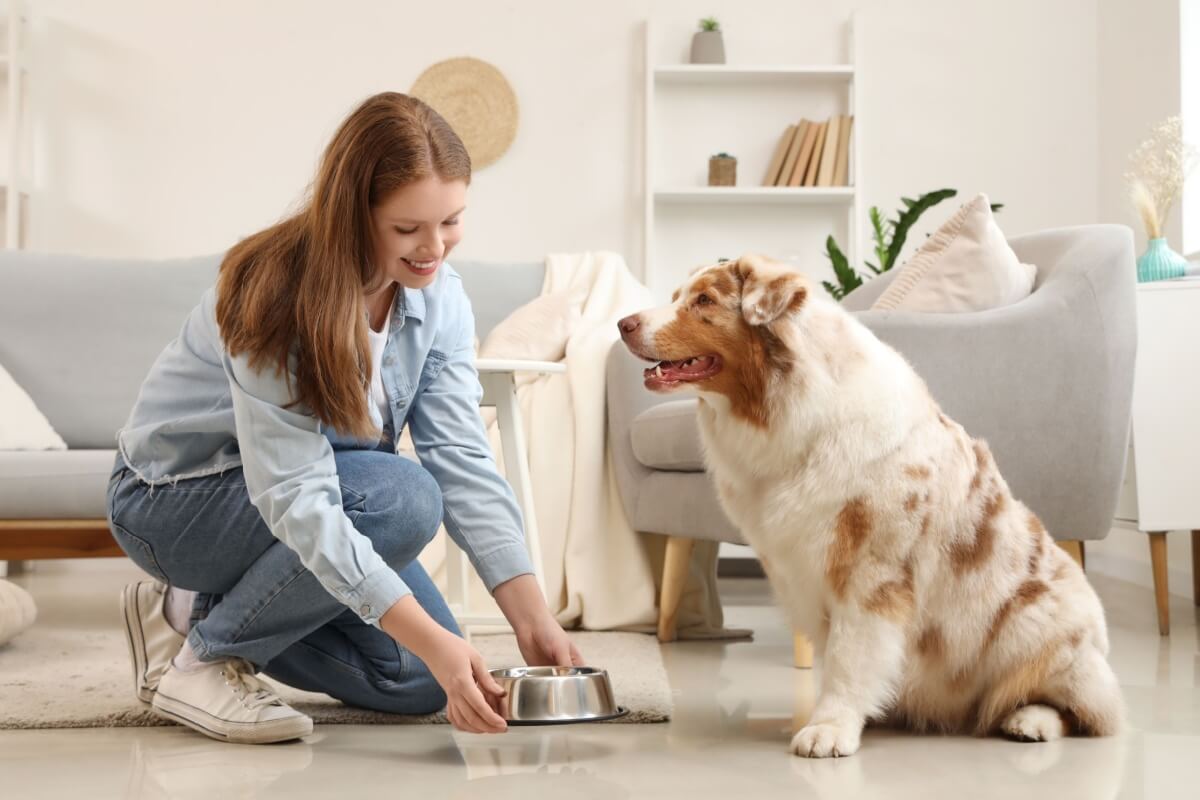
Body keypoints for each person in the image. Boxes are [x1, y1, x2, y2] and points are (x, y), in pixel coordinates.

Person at [106, 91, 581, 745]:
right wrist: (435, 639)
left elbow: (463, 459)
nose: (434, 247)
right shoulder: (272, 292)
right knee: (405, 498)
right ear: (354, 216)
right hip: (175, 506)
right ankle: (203, 662)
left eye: (451, 221)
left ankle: (186, 612)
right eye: (407, 228)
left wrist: (530, 616)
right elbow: (297, 496)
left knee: (419, 679)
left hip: (304, 502)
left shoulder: (439, 300)